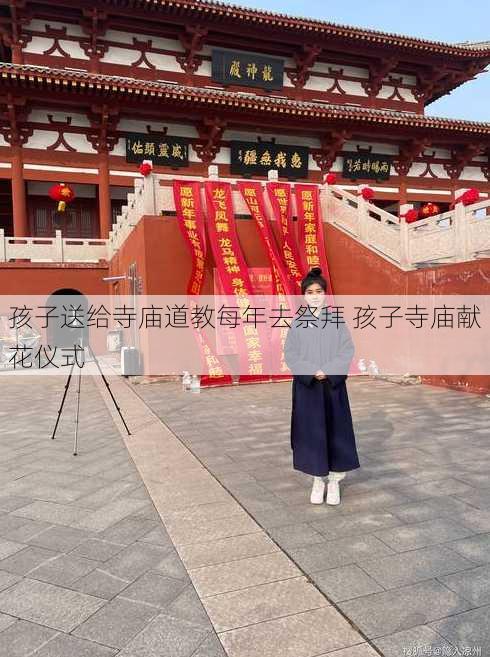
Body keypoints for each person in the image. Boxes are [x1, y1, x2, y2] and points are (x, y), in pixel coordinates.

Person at [284, 267, 360, 505]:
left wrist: (328, 370)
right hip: (308, 389)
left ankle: (335, 482)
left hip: (332, 387)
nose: (315, 295)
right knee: (311, 434)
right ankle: (318, 481)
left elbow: (347, 349)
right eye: (310, 292)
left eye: (319, 291)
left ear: (325, 294)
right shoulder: (297, 324)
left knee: (336, 431)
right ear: (304, 296)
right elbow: (291, 353)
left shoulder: (336, 321)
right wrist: (311, 371)